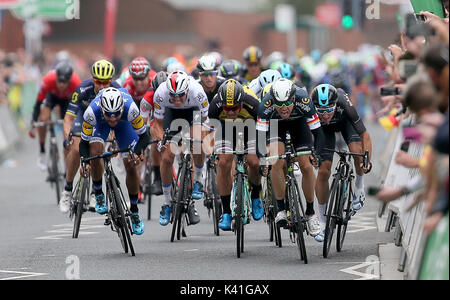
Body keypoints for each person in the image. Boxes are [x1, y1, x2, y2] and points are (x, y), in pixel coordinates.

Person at [256, 78, 324, 238]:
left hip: (299, 126)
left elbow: (318, 134)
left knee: (306, 166)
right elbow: (259, 138)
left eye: (287, 103)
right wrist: (262, 160)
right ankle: (280, 209)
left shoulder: (304, 101)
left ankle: (310, 213)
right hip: (275, 127)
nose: (283, 108)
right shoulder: (265, 106)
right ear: (273, 101)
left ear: (293, 98)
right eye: (279, 104)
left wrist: (317, 154)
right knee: (276, 160)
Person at [79, 87, 150, 235]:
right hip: (100, 124)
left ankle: (135, 212)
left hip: (124, 125)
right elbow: (83, 143)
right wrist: (85, 163)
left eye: (116, 114)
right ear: (102, 109)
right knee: (95, 152)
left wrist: (137, 153)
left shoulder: (131, 109)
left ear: (122, 108)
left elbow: (144, 136)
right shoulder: (92, 113)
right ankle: (98, 193)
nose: (112, 118)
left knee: (131, 163)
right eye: (109, 114)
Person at [311, 84, 373, 242]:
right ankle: (323, 222)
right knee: (323, 171)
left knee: (357, 153)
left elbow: (365, 135)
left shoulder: (345, 105)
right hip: (323, 132)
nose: (325, 115)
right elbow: (308, 137)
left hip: (345, 124)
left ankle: (359, 187)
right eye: (321, 111)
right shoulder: (311, 110)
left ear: (336, 105)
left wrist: (367, 161)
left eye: (329, 110)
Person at [59, 59, 120, 213]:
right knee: (75, 149)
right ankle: (67, 189)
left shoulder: (117, 90)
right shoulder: (83, 89)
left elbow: (121, 120)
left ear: (111, 81)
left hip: (104, 119)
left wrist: (116, 140)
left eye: (105, 83)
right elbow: (68, 118)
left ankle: (95, 192)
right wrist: (68, 138)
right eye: (98, 82)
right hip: (83, 117)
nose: (101, 87)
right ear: (93, 79)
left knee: (97, 151)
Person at [151, 71, 209, 227]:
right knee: (166, 157)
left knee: (197, 142)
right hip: (171, 115)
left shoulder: (197, 92)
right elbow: (157, 123)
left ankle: (197, 180)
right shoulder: (161, 94)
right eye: (173, 96)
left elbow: (205, 120)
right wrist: (162, 140)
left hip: (193, 114)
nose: (177, 99)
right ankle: (168, 203)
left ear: (187, 91)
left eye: (181, 96)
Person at [208, 79, 264, 230]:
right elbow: (211, 131)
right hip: (225, 128)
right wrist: (212, 152)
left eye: (235, 108)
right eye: (227, 108)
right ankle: (226, 211)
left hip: (251, 127)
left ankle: (255, 196)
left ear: (241, 103)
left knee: (254, 162)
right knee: (224, 162)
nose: (231, 111)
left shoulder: (253, 103)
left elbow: (263, 128)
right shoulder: (215, 106)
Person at [30, 61, 81, 171]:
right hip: (51, 97)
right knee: (43, 118)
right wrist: (33, 121)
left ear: (69, 80)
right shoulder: (48, 80)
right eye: (59, 81)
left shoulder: (76, 82)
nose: (61, 85)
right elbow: (38, 103)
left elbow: (80, 106)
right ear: (56, 77)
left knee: (67, 133)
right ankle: (42, 150)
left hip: (67, 101)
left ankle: (66, 165)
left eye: (64, 82)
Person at [140, 71, 168, 196]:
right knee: (155, 138)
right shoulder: (148, 98)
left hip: (174, 115)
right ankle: (157, 177)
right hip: (156, 120)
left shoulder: (175, 91)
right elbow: (142, 123)